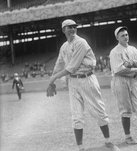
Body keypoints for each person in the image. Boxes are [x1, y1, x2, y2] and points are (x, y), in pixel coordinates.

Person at [46, 19, 120, 151]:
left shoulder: (81, 42)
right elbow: (59, 64)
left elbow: (72, 67)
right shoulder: (64, 47)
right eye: (69, 27)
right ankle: (80, 148)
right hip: (73, 82)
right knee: (76, 116)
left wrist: (53, 79)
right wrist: (52, 81)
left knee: (99, 111)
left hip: (87, 79)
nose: (73, 29)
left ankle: (108, 142)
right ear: (64, 30)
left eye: (74, 27)